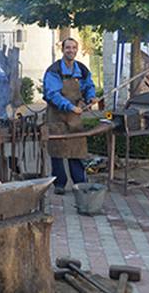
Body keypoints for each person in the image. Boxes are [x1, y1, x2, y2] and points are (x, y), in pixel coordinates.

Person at [43, 37, 96, 194]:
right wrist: (69, 106)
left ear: (76, 50)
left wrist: (91, 97)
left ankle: (79, 182)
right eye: (68, 48)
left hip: (74, 117)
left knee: (77, 148)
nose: (71, 50)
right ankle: (59, 184)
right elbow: (52, 94)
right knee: (57, 149)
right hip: (56, 115)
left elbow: (89, 85)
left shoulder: (81, 69)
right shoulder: (54, 70)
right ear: (63, 49)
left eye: (73, 48)